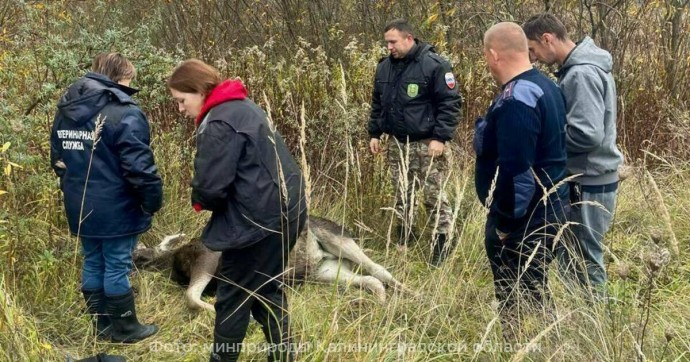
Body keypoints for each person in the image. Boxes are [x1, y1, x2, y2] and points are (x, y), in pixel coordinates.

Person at [167, 59, 307, 362]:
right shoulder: (244, 106)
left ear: (201, 90)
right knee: (265, 288)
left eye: (181, 100)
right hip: (287, 213)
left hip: (258, 224)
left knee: (232, 295)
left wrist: (200, 200)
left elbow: (211, 188)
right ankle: (284, 356)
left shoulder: (218, 122)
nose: (179, 108)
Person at [50, 53, 163, 344]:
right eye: (128, 80)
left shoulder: (66, 109)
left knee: (93, 261)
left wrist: (73, 190)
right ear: (118, 77)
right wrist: (151, 201)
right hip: (117, 206)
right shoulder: (124, 112)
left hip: (80, 203)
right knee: (116, 264)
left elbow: (58, 160)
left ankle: (100, 328)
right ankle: (126, 329)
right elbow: (140, 169)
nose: (129, 86)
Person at [474, 22, 569, 338]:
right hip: (548, 209)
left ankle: (518, 348)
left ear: (493, 54)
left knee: (520, 293)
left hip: (525, 220)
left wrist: (503, 225)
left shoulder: (517, 100)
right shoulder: (547, 86)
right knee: (535, 287)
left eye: (486, 57)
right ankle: (541, 345)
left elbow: (518, 174)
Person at [523, 14, 624, 297]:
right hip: (586, 176)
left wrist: (545, 141)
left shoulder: (581, 73)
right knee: (571, 252)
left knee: (584, 256)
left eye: (532, 49)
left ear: (547, 38)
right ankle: (580, 321)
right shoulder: (577, 69)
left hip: (589, 180)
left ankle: (593, 327)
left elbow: (587, 134)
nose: (533, 58)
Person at [367, 18, 462, 266]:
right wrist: (375, 133)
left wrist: (440, 137)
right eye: (387, 42)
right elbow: (378, 103)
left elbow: (450, 104)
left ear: (409, 38)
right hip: (396, 144)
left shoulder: (435, 65)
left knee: (433, 197)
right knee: (402, 195)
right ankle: (405, 239)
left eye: (393, 42)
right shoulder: (384, 68)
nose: (389, 47)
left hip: (427, 143)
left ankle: (441, 242)